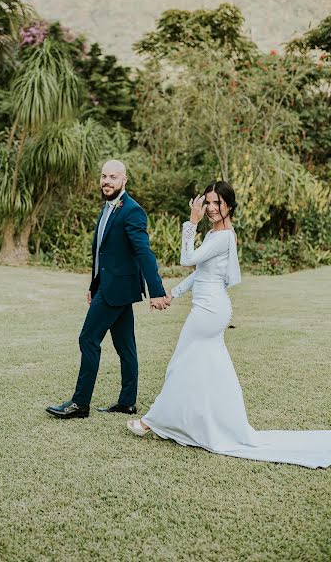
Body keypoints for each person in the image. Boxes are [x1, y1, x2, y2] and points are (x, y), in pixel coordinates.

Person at [127, 181, 331, 469]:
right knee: (209, 369)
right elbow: (202, 272)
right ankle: (210, 423)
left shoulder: (223, 237)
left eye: (216, 203)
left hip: (209, 311)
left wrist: (191, 223)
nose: (210, 208)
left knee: (181, 364)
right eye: (206, 203)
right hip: (209, 307)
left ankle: (151, 421)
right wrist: (174, 293)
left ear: (229, 206)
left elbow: (187, 259)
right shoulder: (216, 234)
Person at [46, 159, 170, 420]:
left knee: (88, 339)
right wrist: (94, 285)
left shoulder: (132, 211)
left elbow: (143, 251)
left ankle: (80, 404)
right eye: (104, 176)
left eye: (113, 177)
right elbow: (103, 254)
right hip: (112, 287)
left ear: (124, 180)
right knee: (126, 346)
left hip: (116, 290)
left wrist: (156, 290)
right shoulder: (107, 208)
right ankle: (127, 403)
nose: (107, 181)